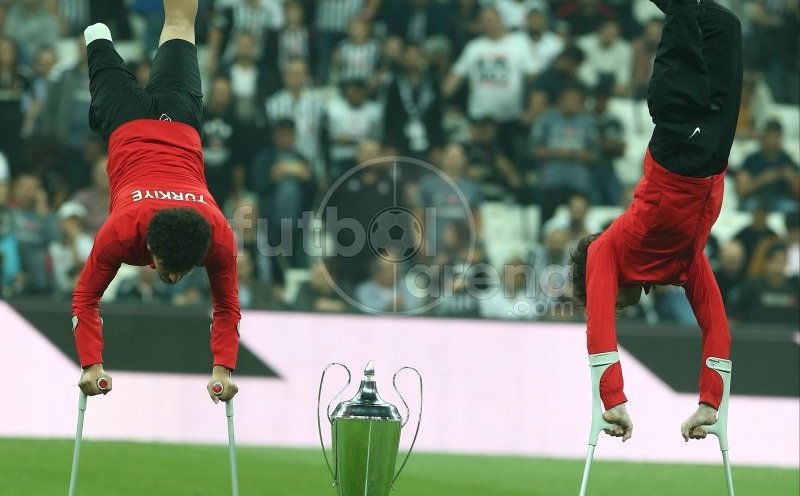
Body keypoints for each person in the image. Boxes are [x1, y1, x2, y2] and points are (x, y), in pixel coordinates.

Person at [569, 0, 743, 442]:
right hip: (715, 154)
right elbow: (716, 325)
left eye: (619, 304)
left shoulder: (606, 250)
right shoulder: (684, 263)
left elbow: (599, 328)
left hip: (676, 145)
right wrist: (710, 402)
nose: (624, 306)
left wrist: (613, 403)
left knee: (684, 13)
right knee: (725, 24)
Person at [73, 0, 240, 405]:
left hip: (157, 120)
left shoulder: (216, 236)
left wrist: (223, 367)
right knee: (136, 26)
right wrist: (90, 363)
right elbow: (85, 298)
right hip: (165, 118)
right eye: (171, 267)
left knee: (98, 36)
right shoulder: (122, 231)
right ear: (150, 246)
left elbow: (227, 307)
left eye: (183, 269)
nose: (177, 277)